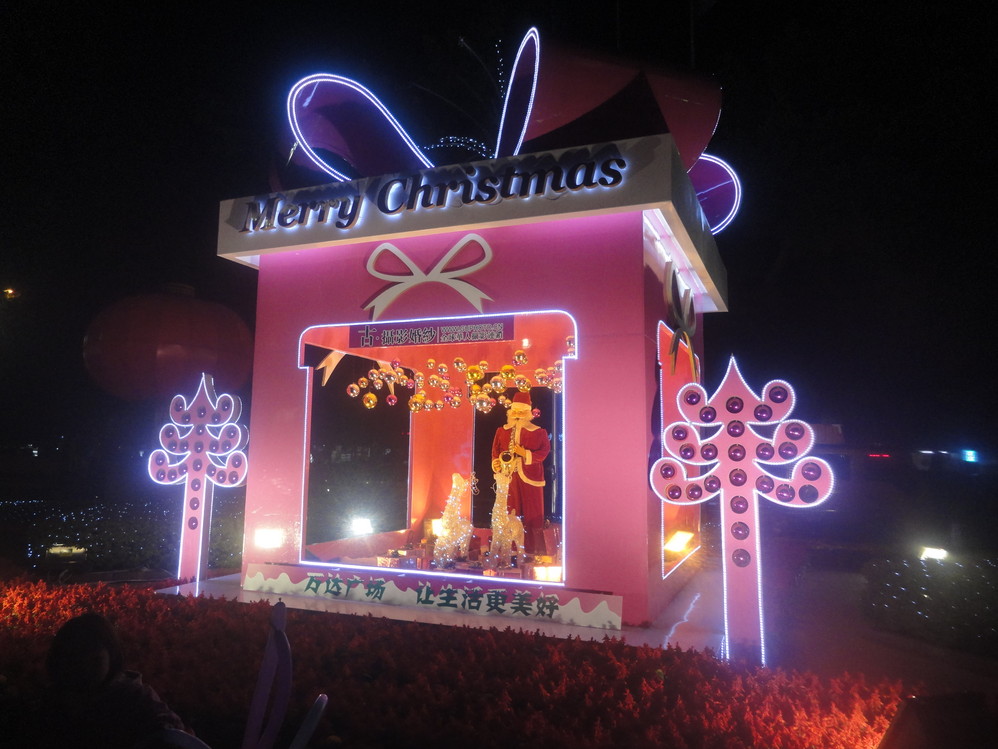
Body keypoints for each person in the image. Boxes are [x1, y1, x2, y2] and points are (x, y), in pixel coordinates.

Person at [30, 612, 201, 748]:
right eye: (74, 658)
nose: (84, 666)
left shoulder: (136, 698)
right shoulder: (54, 702)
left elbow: (169, 730)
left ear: (112, 655)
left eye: (95, 659)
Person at [491, 391, 551, 553]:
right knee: (510, 511)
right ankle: (510, 549)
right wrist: (496, 463)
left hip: (531, 476)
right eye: (515, 411)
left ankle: (534, 550)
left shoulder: (539, 432)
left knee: (534, 514)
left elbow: (544, 451)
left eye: (521, 412)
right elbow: (495, 451)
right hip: (508, 475)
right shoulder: (501, 430)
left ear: (528, 413)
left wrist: (525, 453)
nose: (517, 415)